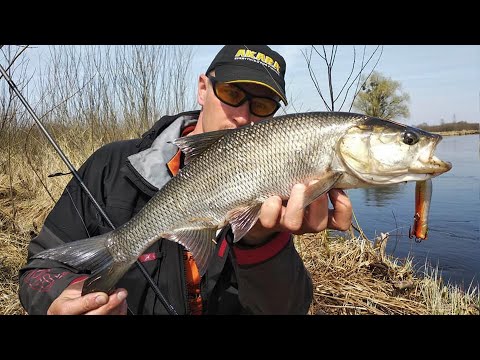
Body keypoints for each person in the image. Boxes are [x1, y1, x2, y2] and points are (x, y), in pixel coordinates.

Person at [18, 45, 352, 315]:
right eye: (232, 94)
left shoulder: (274, 187)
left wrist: (264, 242)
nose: (242, 115)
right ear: (203, 89)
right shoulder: (110, 165)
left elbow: (287, 309)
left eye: (262, 105)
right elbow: (40, 269)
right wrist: (61, 295)